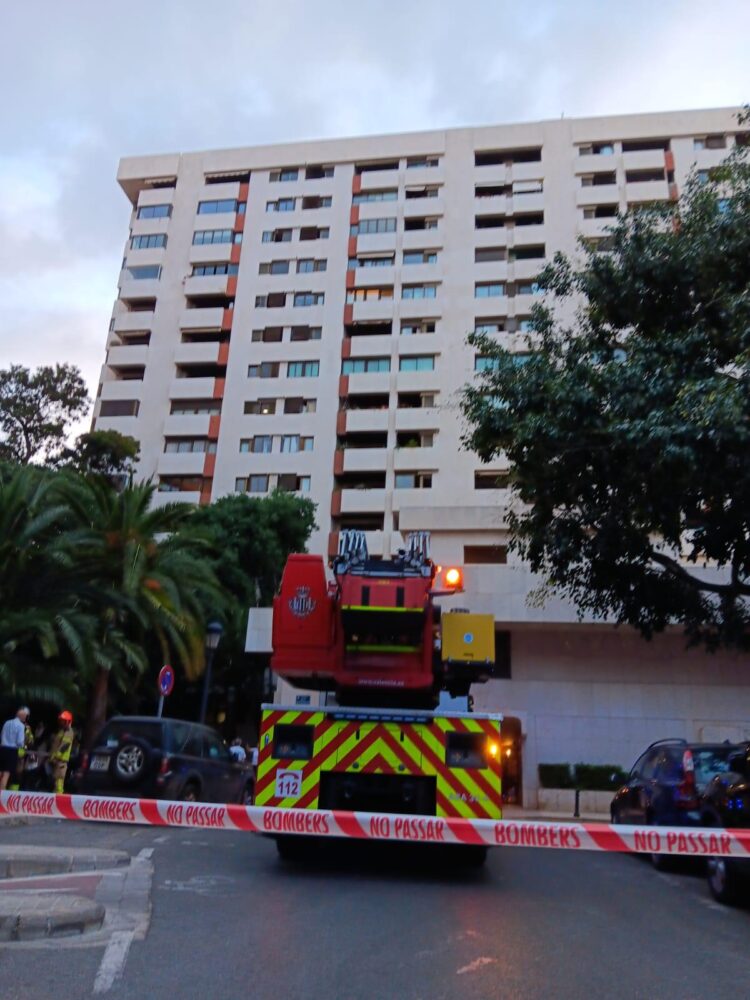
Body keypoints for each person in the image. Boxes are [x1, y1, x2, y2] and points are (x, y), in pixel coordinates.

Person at [0, 707, 30, 792]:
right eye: (25, 716)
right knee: (6, 773)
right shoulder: (20, 726)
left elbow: (2, 735)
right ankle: (1, 793)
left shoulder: (7, 722)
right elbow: (20, 742)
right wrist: (24, 745)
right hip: (12, 751)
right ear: (22, 716)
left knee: (0, 771)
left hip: (2, 748)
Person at [48, 711, 75, 794]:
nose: (61, 723)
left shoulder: (69, 732)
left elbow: (65, 745)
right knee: (55, 780)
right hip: (57, 761)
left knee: (59, 782)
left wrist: (56, 756)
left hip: (61, 761)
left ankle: (58, 797)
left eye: (63, 721)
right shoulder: (62, 731)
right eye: (60, 721)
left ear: (68, 721)